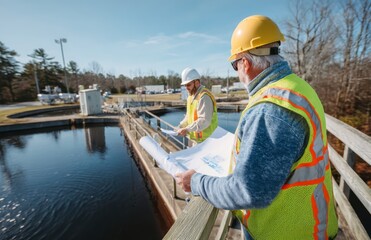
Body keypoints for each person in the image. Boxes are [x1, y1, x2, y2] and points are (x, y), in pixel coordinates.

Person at [175, 15, 338, 239]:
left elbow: (248, 190)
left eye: (234, 65)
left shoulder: (270, 110)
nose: (237, 72)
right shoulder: (297, 88)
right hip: (310, 224)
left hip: (284, 232)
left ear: (245, 63)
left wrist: (196, 182)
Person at [176, 67, 218, 143]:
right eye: (185, 85)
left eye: (188, 84)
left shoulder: (204, 97)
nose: (186, 88)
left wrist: (187, 129)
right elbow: (188, 116)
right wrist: (181, 126)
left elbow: (204, 120)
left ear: (197, 82)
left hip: (207, 141)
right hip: (194, 139)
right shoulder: (190, 97)